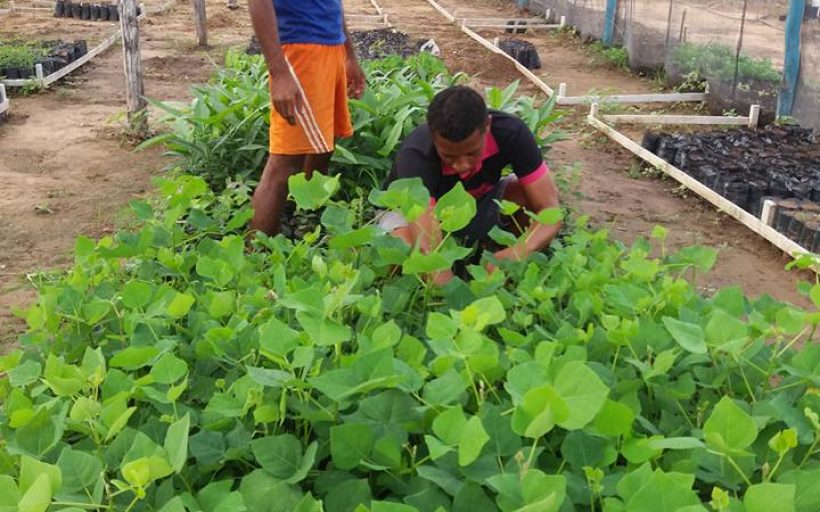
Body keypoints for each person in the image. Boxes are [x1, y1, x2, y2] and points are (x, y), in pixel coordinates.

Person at [380, 86, 562, 284]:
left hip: (476, 204)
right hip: (414, 215)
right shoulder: (416, 155)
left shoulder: (511, 132)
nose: (462, 166)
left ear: (488, 126)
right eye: (448, 156)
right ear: (433, 136)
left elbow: (550, 212)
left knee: (526, 195)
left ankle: (493, 258)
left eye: (472, 153)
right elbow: (427, 248)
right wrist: (452, 296)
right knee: (403, 247)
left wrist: (518, 252)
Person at [247, 0, 365, 236]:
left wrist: (348, 54)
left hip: (329, 47)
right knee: (285, 162)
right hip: (300, 51)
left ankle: (302, 219)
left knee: (322, 146)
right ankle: (253, 259)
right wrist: (279, 73)